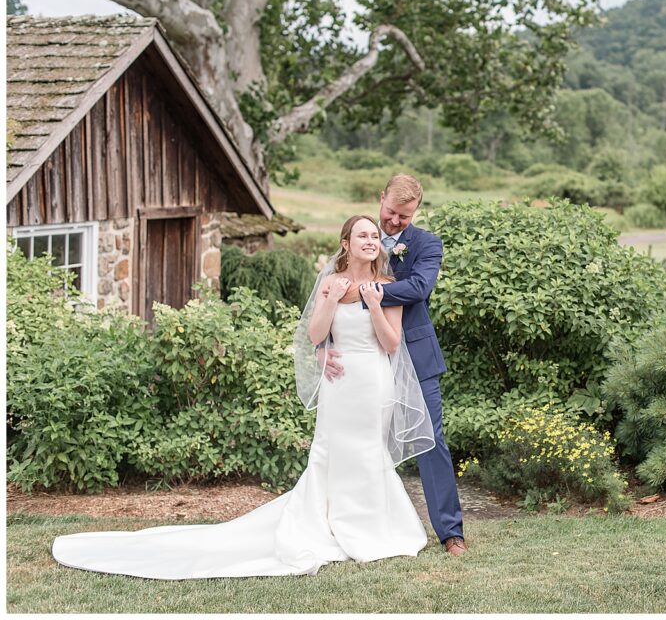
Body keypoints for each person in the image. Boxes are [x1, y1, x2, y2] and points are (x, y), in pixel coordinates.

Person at [51, 215, 435, 579]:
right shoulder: (330, 282)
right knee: (332, 451)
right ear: (346, 244)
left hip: (373, 382)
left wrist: (373, 304)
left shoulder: (388, 285)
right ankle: (328, 522)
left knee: (368, 451)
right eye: (362, 236)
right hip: (339, 384)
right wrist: (332, 300)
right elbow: (316, 335)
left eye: (373, 236)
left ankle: (372, 528)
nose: (370, 241)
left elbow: (392, 343)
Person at [320, 174, 467, 556]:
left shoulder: (426, 245)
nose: (394, 222)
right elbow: (327, 306)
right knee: (361, 442)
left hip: (415, 357)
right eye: (391, 212)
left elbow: (419, 288)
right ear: (381, 198)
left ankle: (451, 533)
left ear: (415, 211)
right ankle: (356, 523)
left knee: (430, 440)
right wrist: (323, 347)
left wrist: (367, 293)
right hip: (364, 364)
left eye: (404, 216)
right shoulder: (361, 235)